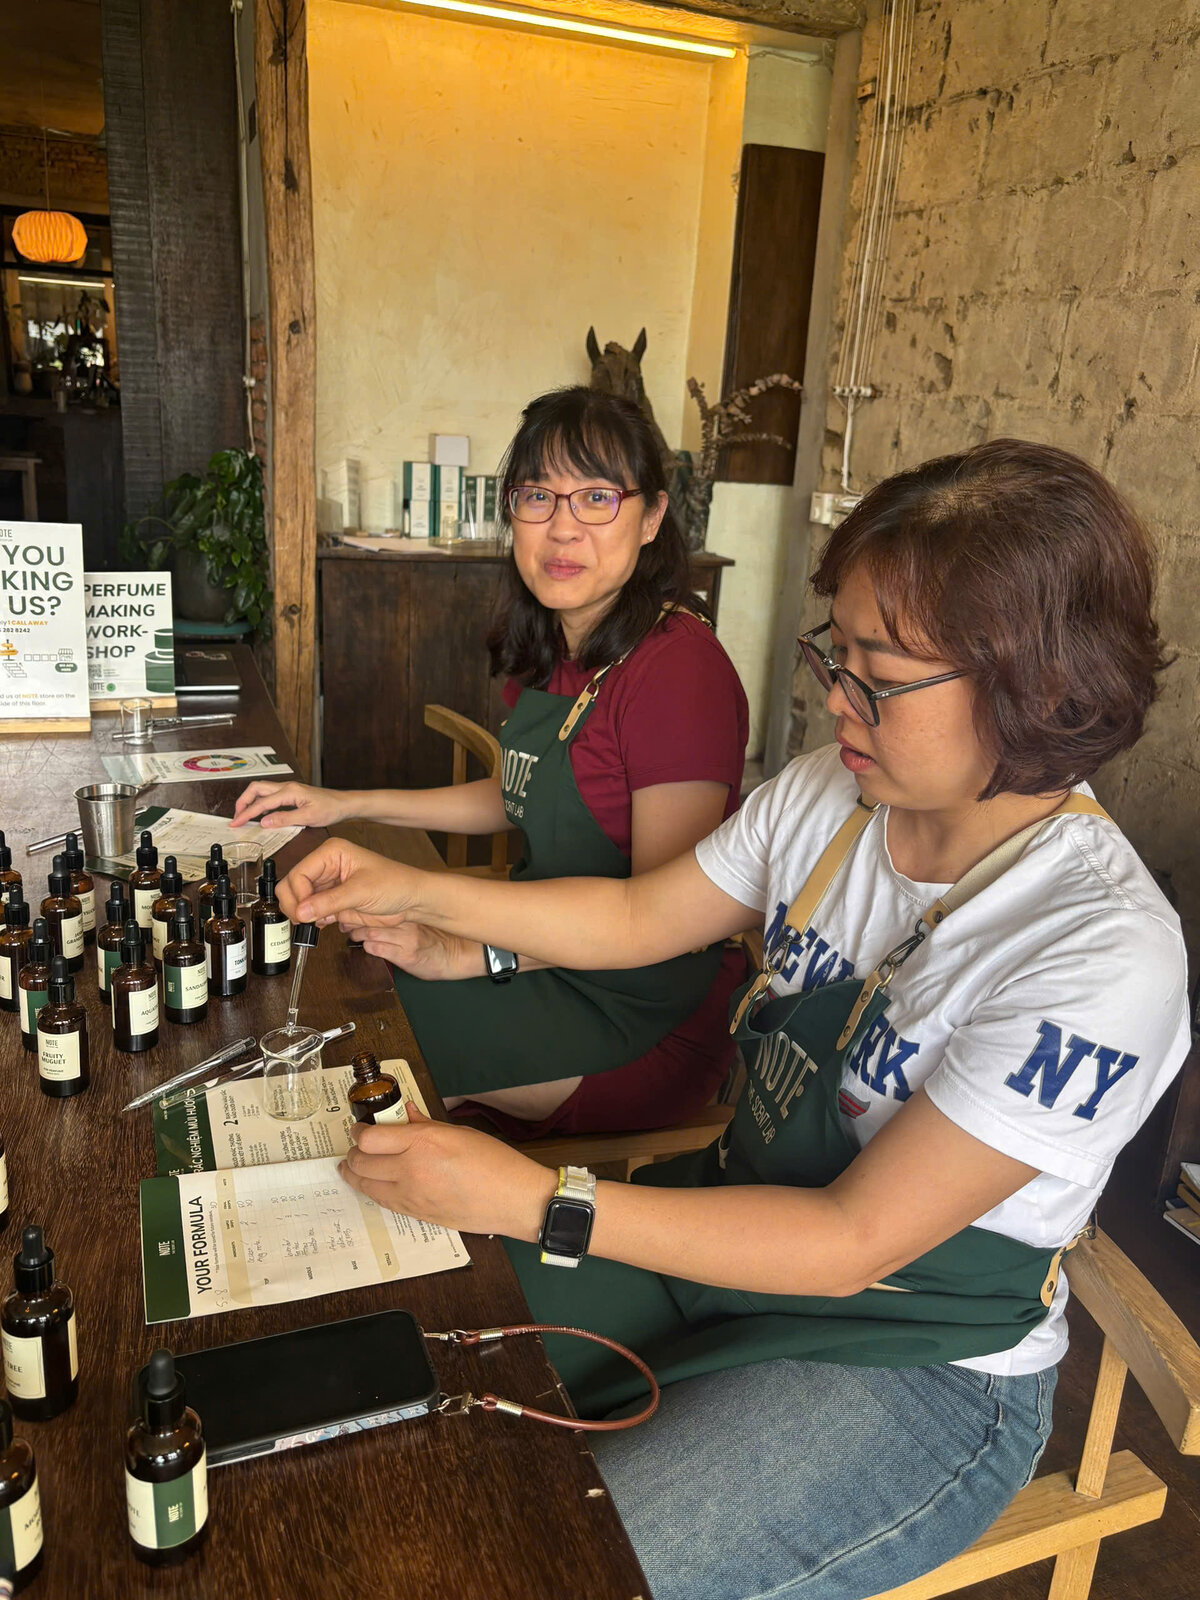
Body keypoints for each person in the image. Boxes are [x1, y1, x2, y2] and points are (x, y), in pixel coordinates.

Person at [276, 438, 1190, 1600]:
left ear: (1039, 685)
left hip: (916, 1361)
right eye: (835, 653)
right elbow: (636, 913)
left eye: (879, 673)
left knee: (547, 1566)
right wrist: (414, 886)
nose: (832, 696)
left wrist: (529, 1197)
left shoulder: (1099, 950)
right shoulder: (831, 794)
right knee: (388, 1361)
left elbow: (853, 1240)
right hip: (726, 1238)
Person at [234, 386, 749, 1137]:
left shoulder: (678, 672)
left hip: (636, 1015)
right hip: (542, 956)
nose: (563, 528)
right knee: (342, 998)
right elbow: (517, 792)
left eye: (597, 498)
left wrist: (463, 944)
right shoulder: (559, 646)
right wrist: (341, 802)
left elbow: (659, 926)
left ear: (652, 519)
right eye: (539, 496)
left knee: (347, 1050)